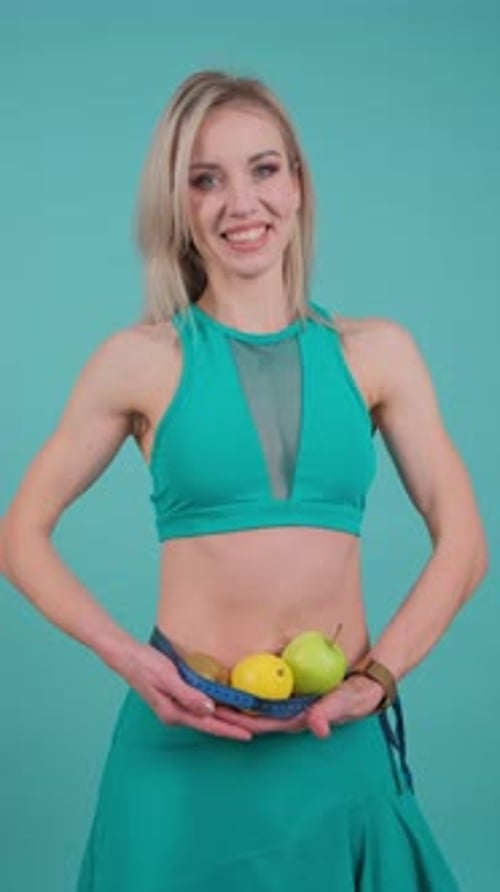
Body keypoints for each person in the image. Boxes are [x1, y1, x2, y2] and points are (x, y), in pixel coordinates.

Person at [2, 69, 488, 891]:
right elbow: (20, 535)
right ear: (179, 205)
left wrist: (377, 680)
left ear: (298, 183)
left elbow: (465, 542)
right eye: (205, 179)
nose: (241, 203)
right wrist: (130, 660)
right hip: (183, 751)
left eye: (264, 169)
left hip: (336, 751)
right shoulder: (138, 362)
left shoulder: (378, 353)